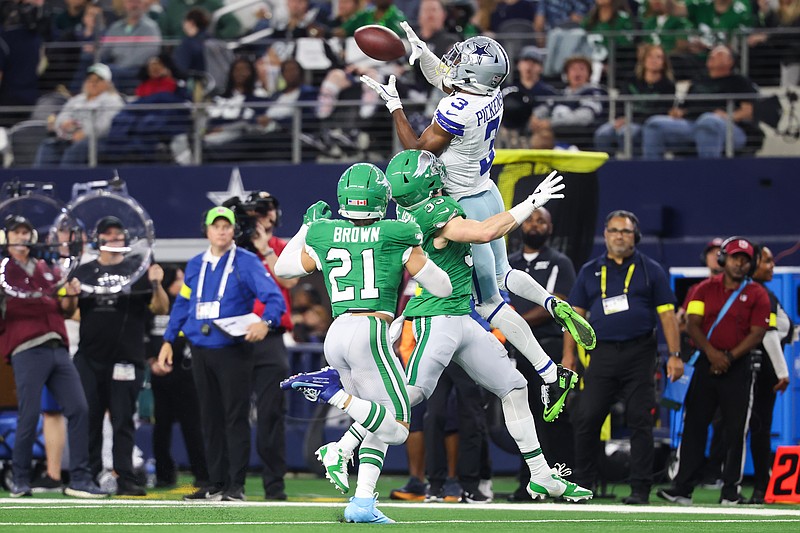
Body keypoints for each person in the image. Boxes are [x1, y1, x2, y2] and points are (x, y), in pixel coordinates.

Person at [360, 26, 597, 399]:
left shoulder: (457, 109)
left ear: (473, 74)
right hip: (487, 189)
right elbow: (450, 81)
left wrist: (395, 106)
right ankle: (551, 302)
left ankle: (548, 371)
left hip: (460, 203)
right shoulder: (493, 94)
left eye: (462, 61)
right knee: (505, 274)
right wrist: (424, 55)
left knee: (489, 302)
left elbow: (418, 152)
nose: (453, 63)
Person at [277, 163, 453, 523]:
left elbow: (283, 269)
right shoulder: (397, 231)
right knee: (398, 426)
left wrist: (305, 227)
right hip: (370, 329)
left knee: (376, 414)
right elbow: (443, 288)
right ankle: (332, 394)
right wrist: (423, 248)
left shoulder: (324, 231)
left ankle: (362, 502)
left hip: (337, 331)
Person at [157, 206, 285, 502]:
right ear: (207, 230)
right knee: (209, 418)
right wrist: (168, 339)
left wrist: (265, 323)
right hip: (200, 350)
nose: (222, 231)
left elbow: (274, 298)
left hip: (232, 350)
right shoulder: (195, 264)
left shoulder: (246, 261)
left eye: (227, 226)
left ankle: (235, 486)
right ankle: (215, 483)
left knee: (234, 417)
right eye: (216, 226)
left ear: (233, 231)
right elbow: (182, 304)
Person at [563, 210, 683, 505]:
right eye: (614, 230)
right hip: (600, 354)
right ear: (605, 235)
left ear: (635, 236)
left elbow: (667, 315)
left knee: (640, 420)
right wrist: (568, 356)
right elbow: (574, 316)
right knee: (587, 417)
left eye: (625, 231)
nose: (619, 236)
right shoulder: (589, 271)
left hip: (639, 353)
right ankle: (583, 484)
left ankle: (640, 488)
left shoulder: (650, 270)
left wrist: (675, 355)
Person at [657, 237, 770, 505]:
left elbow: (757, 333)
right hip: (706, 364)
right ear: (723, 259)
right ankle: (682, 488)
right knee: (694, 426)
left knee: (736, 430)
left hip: (738, 367)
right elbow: (692, 324)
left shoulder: (758, 294)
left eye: (745, 260)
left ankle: (730, 491)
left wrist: (728, 357)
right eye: (734, 258)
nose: (739, 264)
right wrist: (713, 354)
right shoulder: (703, 289)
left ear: (751, 264)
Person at [0, 215, 107, 498]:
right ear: (7, 238)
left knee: (79, 408)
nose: (22, 237)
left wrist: (71, 295)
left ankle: (80, 479)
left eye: (25, 232)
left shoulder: (45, 269)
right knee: (28, 415)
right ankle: (20, 479)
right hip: (27, 348)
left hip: (58, 347)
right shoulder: (3, 271)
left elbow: (67, 310)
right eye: (16, 233)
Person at [72, 216, 169, 496]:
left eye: (118, 234)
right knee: (90, 418)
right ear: (98, 239)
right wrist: (69, 294)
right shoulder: (84, 271)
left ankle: (125, 477)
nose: (114, 239)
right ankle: (89, 477)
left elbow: (160, 309)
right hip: (90, 357)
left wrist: (156, 284)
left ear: (126, 239)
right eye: (108, 234)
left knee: (123, 419)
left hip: (126, 358)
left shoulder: (137, 270)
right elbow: (69, 311)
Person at [505, 207, 579, 501]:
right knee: (523, 415)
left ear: (550, 228)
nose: (534, 225)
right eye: (530, 220)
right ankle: (528, 481)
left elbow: (557, 304)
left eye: (541, 221)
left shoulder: (560, 262)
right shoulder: (508, 262)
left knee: (554, 415)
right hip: (514, 349)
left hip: (548, 348)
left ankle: (565, 477)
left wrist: (510, 322)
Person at [241, 191, 297, 501]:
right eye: (257, 210)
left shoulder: (280, 247)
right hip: (236, 336)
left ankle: (274, 486)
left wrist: (265, 250)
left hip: (271, 336)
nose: (263, 215)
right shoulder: (236, 246)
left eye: (267, 209)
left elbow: (289, 281)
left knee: (271, 414)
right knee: (232, 411)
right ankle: (230, 484)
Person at [146, 266, 209, 489]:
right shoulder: (154, 306)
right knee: (161, 427)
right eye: (178, 279)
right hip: (160, 375)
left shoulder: (188, 305)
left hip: (185, 373)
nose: (182, 283)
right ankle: (164, 474)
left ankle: (202, 474)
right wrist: (152, 361)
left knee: (192, 426)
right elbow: (145, 335)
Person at [641, 45, 761, 158]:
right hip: (693, 124)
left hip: (729, 128)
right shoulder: (698, 81)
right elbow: (685, 107)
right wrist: (678, 112)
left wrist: (728, 116)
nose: (712, 56)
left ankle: (708, 171)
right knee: (654, 124)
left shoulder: (739, 81)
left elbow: (748, 112)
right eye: (711, 54)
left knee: (708, 121)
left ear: (730, 61)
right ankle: (652, 171)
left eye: (718, 54)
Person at [748, 245, 792, 504]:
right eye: (766, 261)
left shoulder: (762, 292)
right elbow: (769, 334)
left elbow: (784, 330)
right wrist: (782, 372)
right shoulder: (761, 294)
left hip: (752, 370)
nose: (772, 265)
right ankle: (757, 487)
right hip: (761, 372)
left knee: (751, 428)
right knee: (756, 428)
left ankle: (742, 486)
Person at [33, 63, 125, 168]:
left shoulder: (113, 101)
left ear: (107, 83)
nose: (93, 84)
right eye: (90, 80)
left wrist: (84, 133)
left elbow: (106, 125)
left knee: (77, 148)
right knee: (49, 145)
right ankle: (42, 177)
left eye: (98, 80)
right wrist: (64, 124)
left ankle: (66, 177)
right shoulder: (77, 99)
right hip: (70, 137)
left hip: (97, 140)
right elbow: (63, 115)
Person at [593, 44, 676, 157]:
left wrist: (630, 119)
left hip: (645, 125)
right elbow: (620, 102)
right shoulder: (631, 80)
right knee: (602, 134)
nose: (654, 60)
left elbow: (661, 113)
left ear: (664, 62)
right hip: (625, 121)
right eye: (650, 56)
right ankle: (609, 165)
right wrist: (620, 118)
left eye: (659, 57)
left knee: (626, 134)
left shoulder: (668, 86)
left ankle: (633, 165)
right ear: (644, 60)